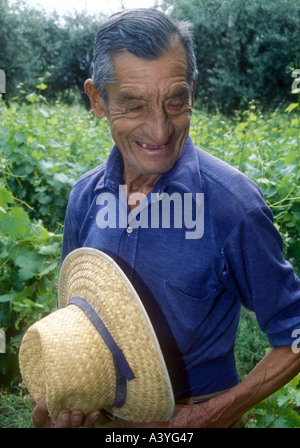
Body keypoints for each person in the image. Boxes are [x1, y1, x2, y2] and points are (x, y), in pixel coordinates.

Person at [32, 8, 300, 428]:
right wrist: (72, 397)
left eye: (176, 102)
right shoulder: (85, 196)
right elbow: (75, 314)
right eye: (134, 106)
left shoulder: (234, 205)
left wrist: (212, 414)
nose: (159, 131)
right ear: (97, 100)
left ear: (193, 89)